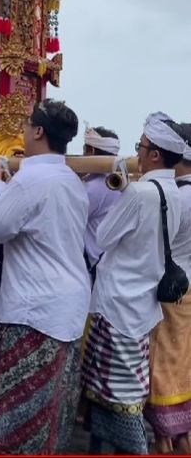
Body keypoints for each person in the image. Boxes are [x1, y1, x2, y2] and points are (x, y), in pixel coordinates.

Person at [0, 99, 91, 455]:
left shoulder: (31, 179)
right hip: (67, 304)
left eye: (28, 125)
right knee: (50, 410)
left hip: (35, 311)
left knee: (19, 415)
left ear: (39, 132)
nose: (24, 131)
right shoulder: (70, 178)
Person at [82, 111, 184, 455]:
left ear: (155, 154)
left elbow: (105, 236)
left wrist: (125, 191)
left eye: (140, 147)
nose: (136, 153)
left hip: (118, 305)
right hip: (142, 304)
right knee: (124, 393)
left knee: (116, 397)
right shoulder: (174, 193)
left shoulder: (141, 193)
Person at [144, 122, 191, 453]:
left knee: (160, 361)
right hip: (189, 286)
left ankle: (164, 436)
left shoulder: (177, 197)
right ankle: (183, 434)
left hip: (169, 290)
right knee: (183, 361)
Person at [83, 125, 121, 277]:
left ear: (91, 151)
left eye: (84, 150)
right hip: (107, 260)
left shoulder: (93, 187)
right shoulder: (116, 182)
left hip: (93, 264)